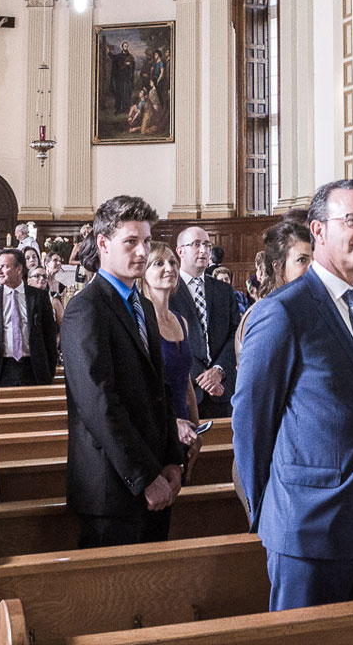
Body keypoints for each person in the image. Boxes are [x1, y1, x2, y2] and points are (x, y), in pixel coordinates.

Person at [235, 178, 353, 611]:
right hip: (309, 529)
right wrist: (268, 512)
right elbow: (252, 422)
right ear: (318, 231)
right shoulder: (283, 311)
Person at [63, 195, 188, 548]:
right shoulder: (85, 309)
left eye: (146, 241)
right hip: (112, 489)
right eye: (130, 241)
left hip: (154, 478)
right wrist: (145, 476)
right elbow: (99, 404)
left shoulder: (143, 306)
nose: (142, 251)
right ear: (103, 244)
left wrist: (172, 460)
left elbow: (158, 389)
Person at [144, 242, 223, 430]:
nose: (169, 268)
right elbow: (141, 390)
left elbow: (186, 383)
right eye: (158, 263)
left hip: (186, 426)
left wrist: (196, 429)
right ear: (143, 273)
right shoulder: (140, 322)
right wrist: (172, 424)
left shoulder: (181, 321)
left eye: (172, 262)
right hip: (156, 425)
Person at [176, 226, 241, 418]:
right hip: (185, 391)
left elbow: (235, 334)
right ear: (180, 251)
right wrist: (202, 377)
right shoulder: (168, 291)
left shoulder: (223, 290)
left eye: (207, 244)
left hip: (222, 391)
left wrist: (218, 371)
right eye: (196, 245)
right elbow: (169, 339)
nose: (204, 250)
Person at [0, 247, 59, 388]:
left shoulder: (39, 296)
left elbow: (49, 334)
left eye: (4, 267)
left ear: (19, 269)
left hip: (33, 368)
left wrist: (49, 369)